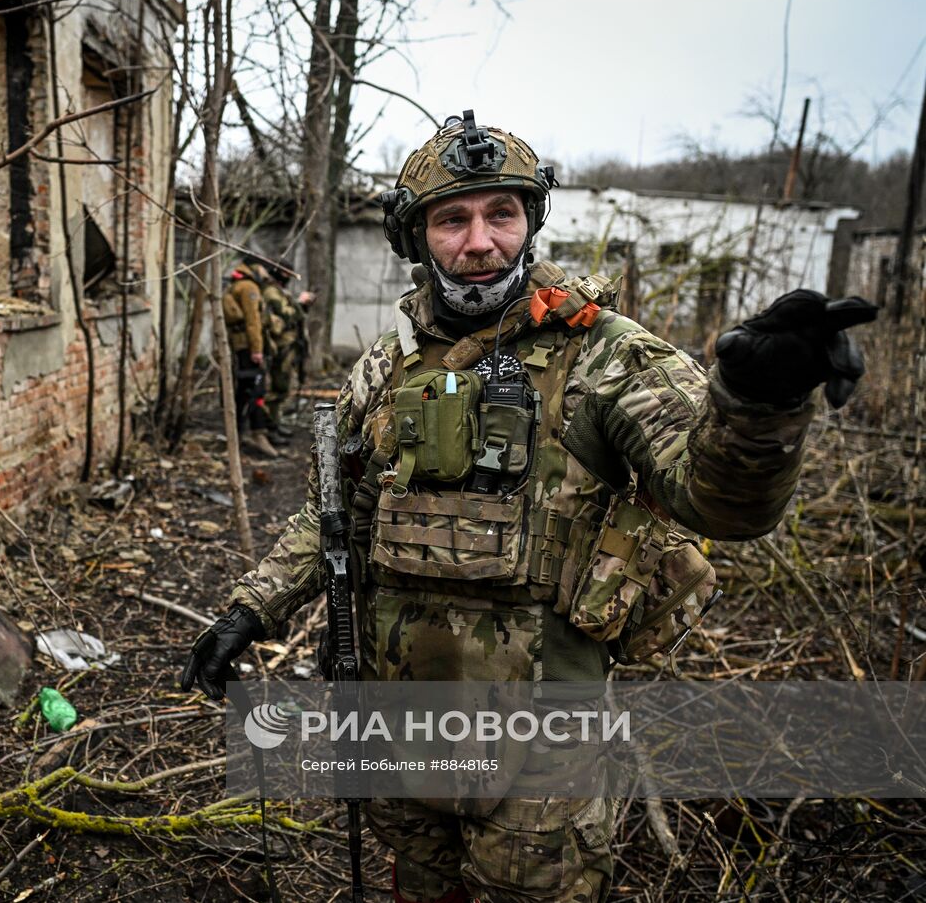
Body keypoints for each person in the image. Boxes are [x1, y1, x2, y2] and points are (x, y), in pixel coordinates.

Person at [182, 111, 876, 902]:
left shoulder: (607, 354)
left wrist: (758, 402)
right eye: (452, 220)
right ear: (417, 238)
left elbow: (717, 498)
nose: (479, 243)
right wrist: (251, 607)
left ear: (531, 221)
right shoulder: (387, 363)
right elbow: (331, 514)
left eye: (500, 214)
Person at [222, 259, 278, 458]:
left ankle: (238, 433)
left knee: (243, 391)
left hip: (239, 346)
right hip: (248, 348)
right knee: (256, 390)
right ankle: (257, 434)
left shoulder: (236, 284)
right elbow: (253, 321)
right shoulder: (248, 287)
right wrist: (257, 350)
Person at [259, 257, 314, 441]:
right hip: (279, 347)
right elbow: (287, 315)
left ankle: (274, 424)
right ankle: (268, 428)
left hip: (287, 346)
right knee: (277, 388)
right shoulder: (271, 293)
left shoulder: (279, 291)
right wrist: (300, 303)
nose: (287, 277)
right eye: (285, 274)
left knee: (282, 388)